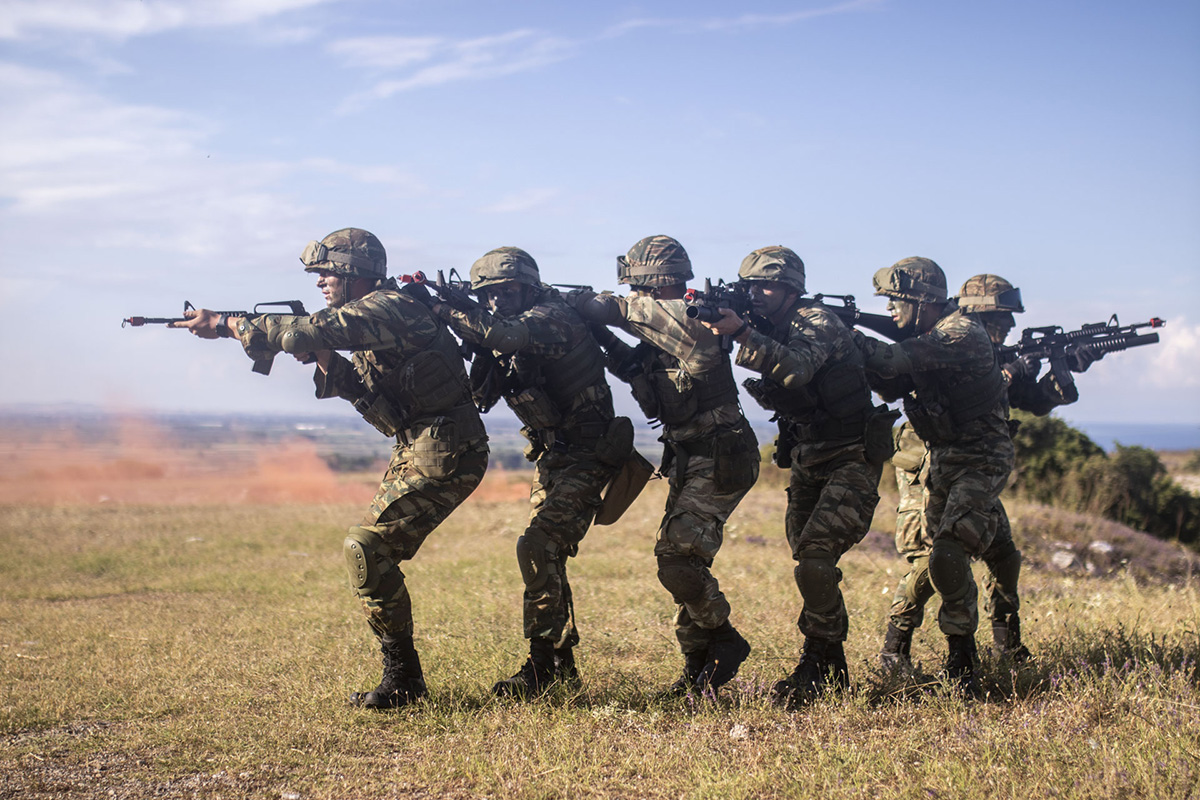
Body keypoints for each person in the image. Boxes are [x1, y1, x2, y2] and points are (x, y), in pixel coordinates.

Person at [172, 228, 488, 709]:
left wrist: (225, 324)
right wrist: (325, 361)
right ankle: (404, 681)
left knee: (366, 548)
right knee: (369, 551)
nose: (319, 281)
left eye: (326, 272)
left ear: (353, 272)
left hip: (447, 448)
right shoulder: (370, 323)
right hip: (419, 447)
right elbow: (372, 397)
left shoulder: (390, 307)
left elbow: (301, 329)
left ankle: (404, 683)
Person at [430, 246, 630, 698]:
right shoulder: (500, 327)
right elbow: (480, 391)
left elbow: (508, 337)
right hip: (554, 455)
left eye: (508, 289)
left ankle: (542, 668)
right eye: (490, 294)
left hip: (589, 452)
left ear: (528, 285)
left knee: (538, 545)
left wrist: (446, 309)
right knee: (547, 555)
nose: (499, 299)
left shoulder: (552, 316)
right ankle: (560, 667)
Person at [702, 246, 896, 706]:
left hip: (850, 454)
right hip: (809, 455)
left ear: (791, 288)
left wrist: (744, 331)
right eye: (750, 286)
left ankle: (820, 661)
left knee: (815, 556)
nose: (757, 293)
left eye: (765, 285)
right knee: (809, 561)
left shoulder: (818, 322)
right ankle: (828, 664)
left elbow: (798, 368)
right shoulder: (771, 327)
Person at [573, 235, 759, 696]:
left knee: (676, 559)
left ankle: (724, 640)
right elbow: (631, 363)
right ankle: (698, 671)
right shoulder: (666, 334)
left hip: (721, 455)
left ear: (649, 284)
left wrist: (583, 306)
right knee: (683, 562)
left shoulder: (690, 320)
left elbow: (616, 310)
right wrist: (596, 336)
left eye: (637, 288)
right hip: (690, 455)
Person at [880, 274, 1096, 668]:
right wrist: (1010, 370)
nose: (1009, 326)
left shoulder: (993, 351)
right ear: (977, 314)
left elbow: (1034, 402)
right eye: (1001, 317)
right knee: (934, 556)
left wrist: (1064, 372)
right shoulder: (949, 342)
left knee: (1002, 553)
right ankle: (896, 646)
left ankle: (1008, 646)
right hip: (927, 460)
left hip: (974, 465)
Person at [856, 257, 1014, 697]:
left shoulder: (958, 332)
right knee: (935, 555)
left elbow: (892, 360)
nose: (889, 308)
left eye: (896, 300)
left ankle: (962, 662)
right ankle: (903, 647)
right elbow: (888, 383)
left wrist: (844, 334)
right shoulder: (929, 334)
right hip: (943, 456)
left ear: (922, 300)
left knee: (949, 550)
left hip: (981, 457)